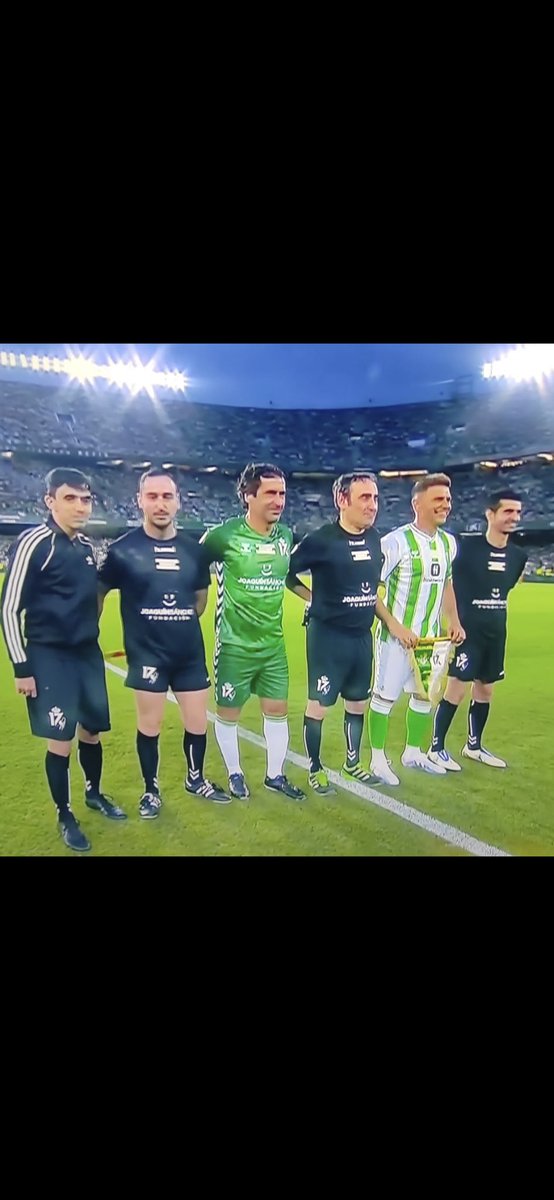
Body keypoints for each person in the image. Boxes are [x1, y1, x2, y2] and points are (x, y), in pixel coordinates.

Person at [0, 468, 126, 853]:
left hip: (87, 655)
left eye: (85, 499)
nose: (80, 506)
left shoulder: (87, 547)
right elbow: (8, 609)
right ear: (50, 501)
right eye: (70, 498)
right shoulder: (34, 542)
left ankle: (93, 792)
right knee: (61, 740)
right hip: (48, 656)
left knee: (93, 730)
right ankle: (64, 812)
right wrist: (22, 667)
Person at [98, 469, 230, 818]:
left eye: (167, 496)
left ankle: (195, 778)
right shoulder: (122, 550)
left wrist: (178, 621)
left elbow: (200, 599)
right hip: (147, 655)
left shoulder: (194, 550)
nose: (160, 503)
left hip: (188, 653)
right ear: (139, 500)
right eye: (152, 496)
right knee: (150, 725)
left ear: (178, 501)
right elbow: (98, 595)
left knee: (197, 722)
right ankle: (151, 790)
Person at [286, 471, 418, 794]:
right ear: (341, 500)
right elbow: (287, 573)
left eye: (375, 497)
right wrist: (311, 597)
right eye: (364, 497)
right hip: (327, 637)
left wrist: (390, 622)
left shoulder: (374, 539)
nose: (373, 505)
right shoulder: (320, 540)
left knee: (357, 702)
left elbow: (372, 589)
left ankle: (351, 762)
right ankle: (315, 768)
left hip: (362, 636)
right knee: (319, 704)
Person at [200, 463, 304, 801]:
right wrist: (195, 603)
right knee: (228, 713)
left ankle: (275, 775)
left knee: (277, 711)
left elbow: (288, 575)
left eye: (282, 493)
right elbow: (195, 565)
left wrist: (311, 597)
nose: (278, 500)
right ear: (248, 496)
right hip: (234, 646)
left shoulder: (286, 536)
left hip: (272, 646)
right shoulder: (223, 536)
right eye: (270, 493)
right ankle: (234, 773)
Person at [368, 473, 465, 785]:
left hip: (431, 640)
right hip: (395, 640)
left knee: (424, 698)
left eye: (448, 499)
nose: (445, 505)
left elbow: (447, 584)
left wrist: (454, 621)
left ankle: (413, 752)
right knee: (385, 698)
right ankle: (378, 760)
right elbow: (371, 589)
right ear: (417, 503)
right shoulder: (395, 542)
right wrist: (395, 626)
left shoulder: (449, 543)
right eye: (438, 499)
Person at [429, 490, 527, 770]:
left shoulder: (518, 556)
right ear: (490, 514)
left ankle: (474, 746)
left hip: (496, 632)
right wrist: (454, 620)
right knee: (456, 689)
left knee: (485, 690)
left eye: (518, 513)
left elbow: (507, 588)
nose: (514, 518)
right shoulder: (465, 547)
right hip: (466, 631)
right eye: (508, 511)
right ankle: (436, 748)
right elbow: (447, 581)